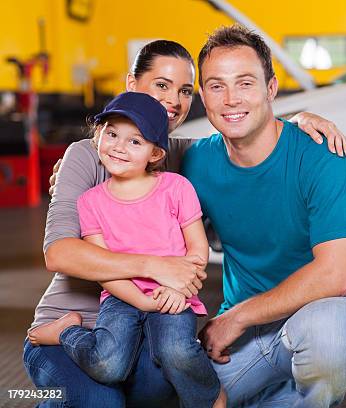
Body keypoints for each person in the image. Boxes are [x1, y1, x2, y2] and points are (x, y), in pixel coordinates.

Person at [25, 39, 346, 407]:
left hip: (147, 325)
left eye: (183, 91)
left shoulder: (183, 157)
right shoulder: (89, 155)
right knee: (100, 401)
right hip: (73, 323)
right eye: (161, 85)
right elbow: (59, 253)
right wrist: (156, 267)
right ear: (132, 85)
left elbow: (248, 133)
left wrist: (298, 121)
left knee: (161, 389)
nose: (173, 101)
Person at [181, 25, 346, 408]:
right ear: (203, 96)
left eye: (246, 83)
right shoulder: (197, 160)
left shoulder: (321, 154)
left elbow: (337, 273)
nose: (231, 99)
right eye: (217, 86)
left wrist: (237, 317)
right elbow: (131, 155)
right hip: (244, 341)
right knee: (176, 398)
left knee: (332, 338)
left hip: (315, 318)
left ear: (271, 89)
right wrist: (80, 161)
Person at [28, 91, 225, 408]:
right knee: (108, 366)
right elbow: (103, 268)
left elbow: (197, 246)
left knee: (176, 352)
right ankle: (66, 332)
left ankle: (211, 396)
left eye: (135, 141)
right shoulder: (90, 201)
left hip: (172, 293)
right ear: (98, 135)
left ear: (155, 153)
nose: (119, 146)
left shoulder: (176, 188)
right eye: (112, 133)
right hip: (120, 297)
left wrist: (180, 291)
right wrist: (144, 301)